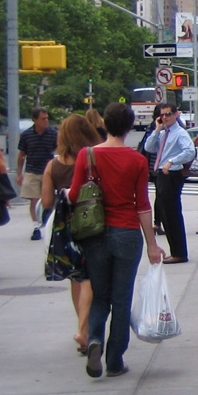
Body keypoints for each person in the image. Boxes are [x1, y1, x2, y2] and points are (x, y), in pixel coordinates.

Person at [68, 102, 164, 378]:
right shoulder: (136, 161)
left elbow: (75, 195)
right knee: (122, 299)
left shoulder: (87, 157)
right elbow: (143, 205)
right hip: (127, 233)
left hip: (94, 234)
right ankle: (115, 360)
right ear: (130, 126)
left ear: (105, 125)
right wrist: (152, 244)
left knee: (100, 296)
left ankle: (94, 339)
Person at [42, 114, 102, 353]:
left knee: (75, 279)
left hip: (65, 229)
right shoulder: (93, 157)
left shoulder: (52, 165)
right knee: (89, 278)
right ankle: (84, 330)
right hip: (91, 223)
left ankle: (82, 327)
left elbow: (46, 201)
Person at [143, 103, 196, 263]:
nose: (165, 117)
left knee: (172, 214)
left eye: (168, 114)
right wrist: (157, 130)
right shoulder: (162, 132)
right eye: (162, 115)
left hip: (171, 174)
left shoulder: (180, 133)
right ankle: (176, 251)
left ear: (176, 115)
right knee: (165, 214)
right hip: (161, 174)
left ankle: (179, 252)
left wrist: (171, 161)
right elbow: (148, 147)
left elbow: (190, 151)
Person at [16, 107, 58, 238]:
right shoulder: (27, 135)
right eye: (43, 119)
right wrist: (19, 174)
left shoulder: (53, 133)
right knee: (33, 200)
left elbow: (59, 151)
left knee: (48, 201)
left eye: (47, 118)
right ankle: (36, 227)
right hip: (32, 171)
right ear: (35, 120)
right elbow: (21, 155)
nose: (46, 121)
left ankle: (48, 223)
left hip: (48, 172)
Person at [137, 103, 166, 237]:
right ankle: (157, 222)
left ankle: (157, 223)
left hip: (156, 165)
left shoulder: (153, 127)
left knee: (160, 196)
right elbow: (146, 147)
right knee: (161, 196)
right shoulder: (156, 128)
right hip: (156, 165)